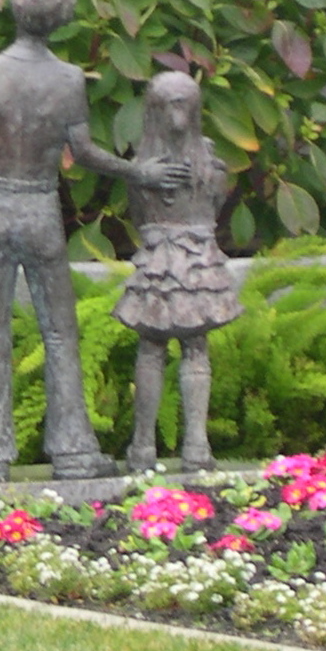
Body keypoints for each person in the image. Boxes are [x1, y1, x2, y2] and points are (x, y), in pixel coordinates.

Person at [0, 0, 188, 484]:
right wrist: (139, 171)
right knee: (60, 331)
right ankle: (71, 450)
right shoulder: (67, 79)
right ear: (63, 17)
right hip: (39, 206)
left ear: (17, 10)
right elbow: (85, 153)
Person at [114, 69, 243, 471]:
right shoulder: (211, 164)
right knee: (195, 347)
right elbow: (214, 208)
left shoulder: (142, 166)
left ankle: (143, 447)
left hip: (157, 258)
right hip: (198, 257)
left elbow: (138, 214)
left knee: (152, 349)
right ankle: (196, 447)